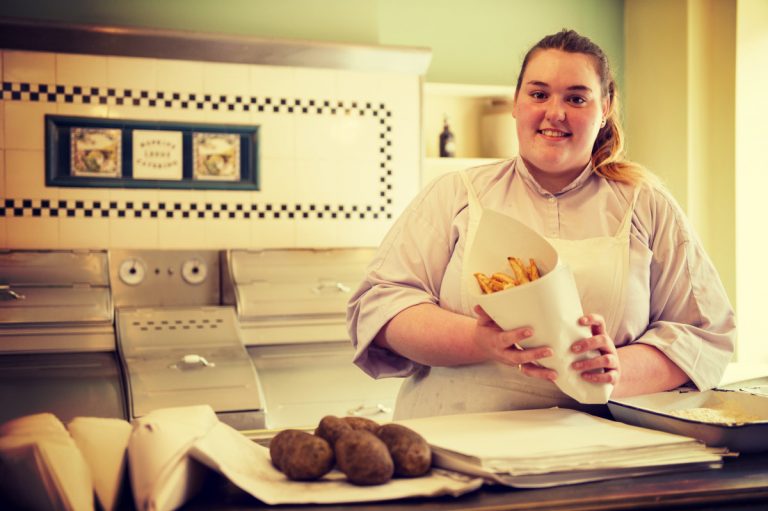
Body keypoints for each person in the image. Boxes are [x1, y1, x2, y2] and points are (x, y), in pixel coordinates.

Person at [346, 29, 736, 420]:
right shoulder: (454, 195)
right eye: (538, 94)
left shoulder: (647, 205)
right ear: (516, 103)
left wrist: (619, 369)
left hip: (602, 447)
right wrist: (479, 341)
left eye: (576, 98)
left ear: (605, 109)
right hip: (452, 436)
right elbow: (382, 306)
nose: (555, 112)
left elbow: (703, 333)